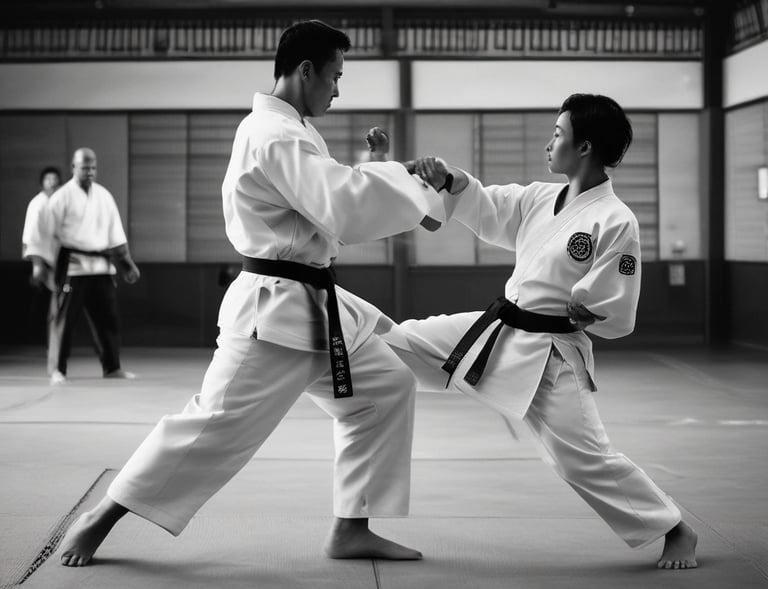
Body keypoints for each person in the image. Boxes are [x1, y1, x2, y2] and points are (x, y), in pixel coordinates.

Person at [58, 20, 445, 568]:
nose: (338, 89)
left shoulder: (293, 132)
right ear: (305, 70)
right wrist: (398, 179)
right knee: (211, 426)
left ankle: (352, 527)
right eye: (335, 76)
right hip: (276, 308)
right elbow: (343, 205)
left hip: (312, 303)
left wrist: (385, 171)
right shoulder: (274, 134)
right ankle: (100, 518)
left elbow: (327, 195)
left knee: (384, 388)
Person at [379, 94, 698, 570]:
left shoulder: (615, 220)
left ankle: (676, 528)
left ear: (584, 147)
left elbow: (617, 297)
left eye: (557, 134)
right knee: (397, 341)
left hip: (551, 354)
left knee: (582, 459)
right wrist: (446, 179)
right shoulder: (540, 198)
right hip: (500, 329)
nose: (549, 144)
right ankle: (333, 351)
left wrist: (589, 304)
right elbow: (484, 203)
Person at [24, 148, 140, 385]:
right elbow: (45, 236)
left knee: (108, 320)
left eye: (93, 167)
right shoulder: (61, 198)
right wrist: (41, 267)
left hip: (100, 267)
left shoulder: (104, 196)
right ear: (74, 167)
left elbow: (116, 235)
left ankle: (112, 366)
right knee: (63, 320)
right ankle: (58, 369)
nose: (90, 172)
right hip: (72, 268)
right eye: (85, 167)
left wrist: (127, 264)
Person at [22, 166, 62, 353]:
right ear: (42, 183)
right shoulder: (37, 203)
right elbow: (30, 236)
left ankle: (52, 344)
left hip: (56, 259)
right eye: (48, 179)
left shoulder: (58, 203)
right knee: (46, 304)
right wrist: (36, 264)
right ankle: (45, 344)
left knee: (55, 303)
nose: (52, 183)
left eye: (55, 179)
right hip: (42, 259)